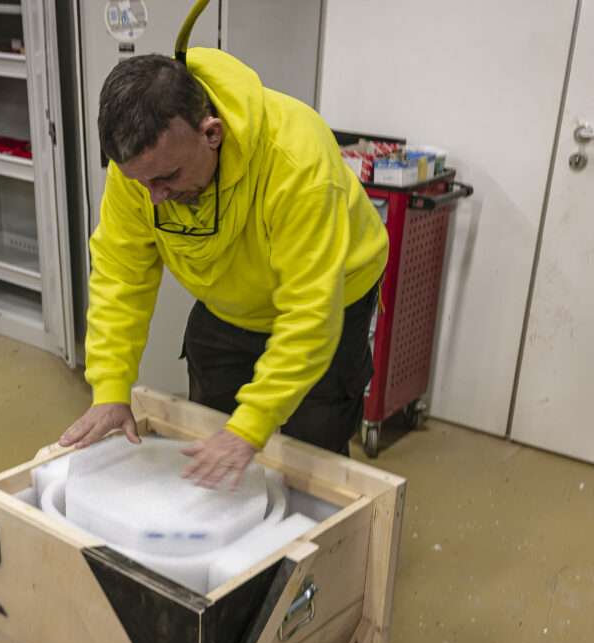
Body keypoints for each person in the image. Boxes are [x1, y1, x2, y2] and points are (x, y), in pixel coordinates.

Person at [59, 48, 388, 489]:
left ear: (211, 133)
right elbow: (121, 274)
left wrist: (251, 426)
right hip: (228, 299)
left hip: (332, 296)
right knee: (211, 432)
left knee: (312, 446)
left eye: (167, 178)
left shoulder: (296, 159)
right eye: (142, 182)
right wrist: (110, 389)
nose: (154, 196)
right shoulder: (144, 169)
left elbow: (310, 311)